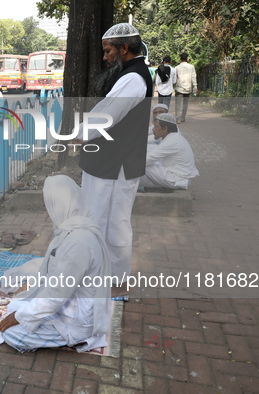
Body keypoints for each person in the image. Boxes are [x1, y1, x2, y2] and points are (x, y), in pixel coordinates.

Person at [73, 23, 153, 290]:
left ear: (124, 48)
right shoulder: (130, 74)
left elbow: (108, 114)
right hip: (109, 162)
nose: (105, 57)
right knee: (102, 219)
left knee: (111, 221)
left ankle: (115, 278)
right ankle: (103, 272)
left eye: (108, 51)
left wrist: (79, 133)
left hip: (115, 165)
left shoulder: (134, 78)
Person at [0, 175, 112, 353]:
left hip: (76, 323)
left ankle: (74, 339)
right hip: (67, 305)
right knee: (16, 304)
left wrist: (19, 317)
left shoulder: (79, 243)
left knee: (12, 334)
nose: (47, 213)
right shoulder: (76, 226)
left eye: (49, 206)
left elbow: (56, 295)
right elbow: (54, 276)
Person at [139, 113, 199, 189]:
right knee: (140, 161)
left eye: (156, 127)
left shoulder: (171, 141)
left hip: (177, 178)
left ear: (165, 129)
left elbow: (147, 159)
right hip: (178, 175)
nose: (153, 129)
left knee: (138, 166)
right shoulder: (173, 137)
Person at [174, 52, 197, 123]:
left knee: (178, 104)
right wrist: (195, 86)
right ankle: (183, 117)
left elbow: (175, 79)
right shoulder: (191, 67)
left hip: (179, 88)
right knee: (185, 103)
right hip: (188, 88)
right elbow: (193, 77)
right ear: (187, 58)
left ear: (180, 59)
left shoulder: (177, 68)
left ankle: (177, 119)